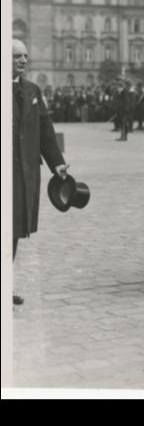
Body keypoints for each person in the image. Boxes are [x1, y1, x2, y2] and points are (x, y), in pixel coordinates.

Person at [12, 39, 69, 305]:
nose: (23, 61)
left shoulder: (32, 90)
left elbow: (45, 130)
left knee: (13, 230)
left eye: (25, 56)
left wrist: (56, 161)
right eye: (16, 57)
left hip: (24, 174)